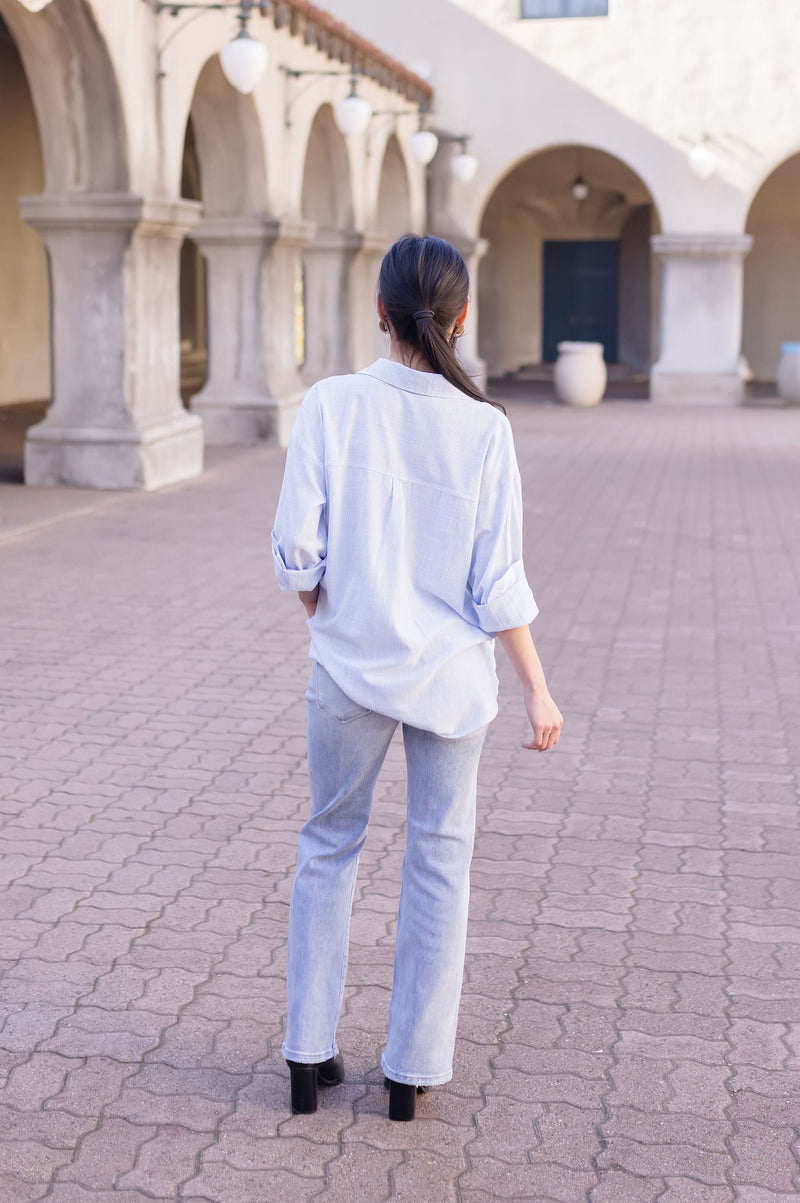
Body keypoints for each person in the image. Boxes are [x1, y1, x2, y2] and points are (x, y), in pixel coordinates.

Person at [271, 234, 563, 1122]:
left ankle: (306, 1056)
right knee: (441, 860)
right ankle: (409, 1071)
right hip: (451, 683)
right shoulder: (485, 428)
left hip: (347, 671)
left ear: (380, 312)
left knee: (328, 845)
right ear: (461, 320)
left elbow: (297, 551)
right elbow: (497, 582)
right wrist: (539, 689)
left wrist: (329, 617)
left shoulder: (331, 403)